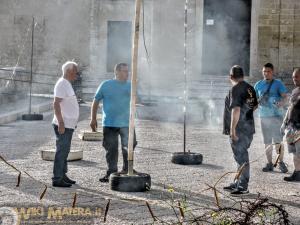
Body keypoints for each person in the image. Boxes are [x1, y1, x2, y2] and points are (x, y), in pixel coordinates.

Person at [90, 63, 137, 183]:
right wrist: (93, 119)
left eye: (128, 71)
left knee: (129, 146)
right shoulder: (106, 85)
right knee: (111, 149)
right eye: (125, 71)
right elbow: (95, 101)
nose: (127, 74)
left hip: (127, 123)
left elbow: (137, 100)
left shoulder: (130, 86)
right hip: (110, 123)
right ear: (116, 72)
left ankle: (127, 169)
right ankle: (111, 172)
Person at [223, 65, 258, 195]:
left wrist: (233, 130)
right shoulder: (250, 88)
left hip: (239, 130)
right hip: (248, 128)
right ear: (243, 75)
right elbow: (255, 105)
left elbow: (236, 110)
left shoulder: (235, 89)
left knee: (242, 157)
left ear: (231, 77)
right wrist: (247, 114)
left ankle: (243, 186)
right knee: (239, 157)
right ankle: (237, 181)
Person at [254, 63, 288, 173]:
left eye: (268, 71)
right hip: (263, 117)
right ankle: (269, 163)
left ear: (272, 72)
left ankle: (280, 162)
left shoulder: (278, 84)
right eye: (264, 71)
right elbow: (254, 101)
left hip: (276, 116)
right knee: (267, 141)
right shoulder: (258, 85)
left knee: (278, 141)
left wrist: (280, 103)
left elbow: (285, 98)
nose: (266, 73)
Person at [52, 61, 79, 187]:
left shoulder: (66, 83)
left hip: (69, 124)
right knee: (62, 150)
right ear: (69, 71)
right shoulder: (62, 83)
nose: (77, 74)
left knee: (65, 150)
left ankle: (63, 175)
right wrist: (61, 122)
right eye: (75, 71)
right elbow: (56, 104)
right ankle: (57, 178)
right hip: (63, 124)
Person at [281, 68, 300, 181]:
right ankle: (297, 173)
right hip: (291, 126)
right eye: (293, 77)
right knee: (294, 153)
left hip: (299, 127)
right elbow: (289, 108)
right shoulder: (295, 91)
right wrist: (283, 123)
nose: (294, 79)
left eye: (296, 77)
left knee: (299, 153)